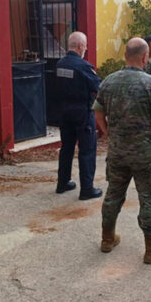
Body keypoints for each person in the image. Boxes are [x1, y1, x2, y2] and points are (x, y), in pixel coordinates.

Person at [93, 37, 151, 264]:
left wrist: (109, 133)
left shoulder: (108, 81)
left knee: (113, 194)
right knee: (149, 198)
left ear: (125, 56)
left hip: (117, 152)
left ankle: (107, 239)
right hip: (144, 153)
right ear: (145, 57)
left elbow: (98, 112)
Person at [55, 31, 103, 200]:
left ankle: (62, 183)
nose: (86, 49)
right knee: (87, 150)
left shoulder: (60, 64)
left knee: (66, 148)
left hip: (64, 112)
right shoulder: (83, 66)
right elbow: (99, 87)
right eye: (86, 46)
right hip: (82, 113)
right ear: (81, 46)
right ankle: (87, 189)